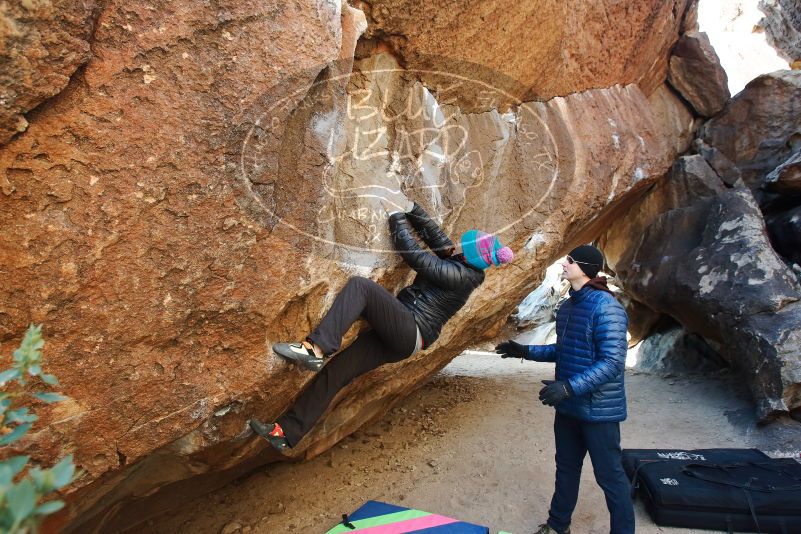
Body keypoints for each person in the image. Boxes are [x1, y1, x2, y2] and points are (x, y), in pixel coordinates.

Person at [250, 201, 514, 451]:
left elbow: (415, 256)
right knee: (338, 372)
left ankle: (315, 348)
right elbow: (437, 238)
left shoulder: (462, 276)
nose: (457, 245)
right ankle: (286, 433)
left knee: (360, 287)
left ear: (470, 256)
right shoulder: (461, 262)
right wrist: (410, 208)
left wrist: (395, 215)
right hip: (404, 338)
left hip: (411, 329)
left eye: (464, 245)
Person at [496, 245, 634, 534]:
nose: (564, 264)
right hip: (570, 407)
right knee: (566, 469)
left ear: (584, 267)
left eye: (569, 261)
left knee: (610, 477)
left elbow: (611, 363)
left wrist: (568, 388)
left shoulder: (607, 307)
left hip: (598, 412)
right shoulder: (569, 306)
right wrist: (524, 351)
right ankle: (558, 526)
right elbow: (564, 350)